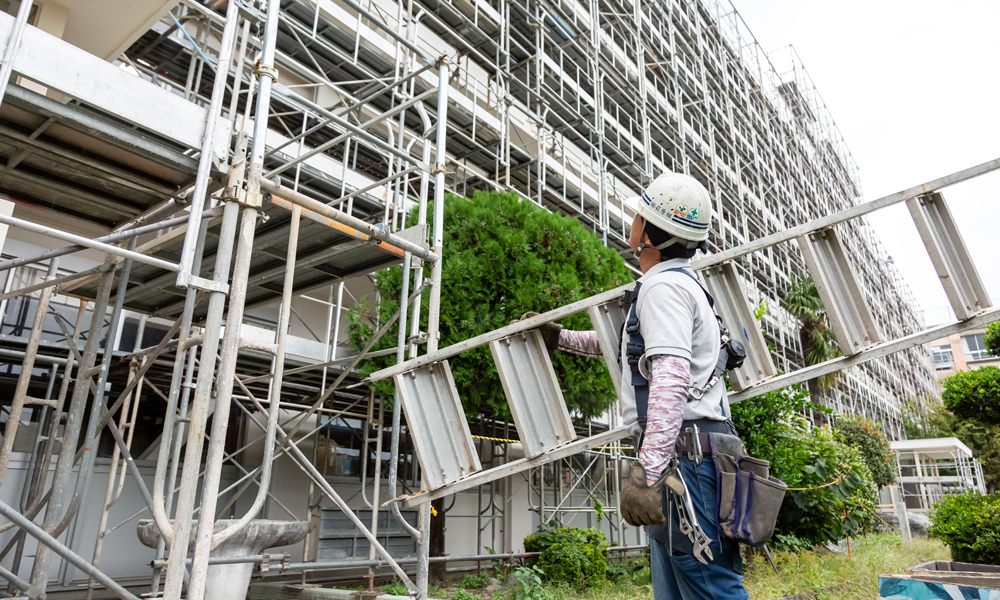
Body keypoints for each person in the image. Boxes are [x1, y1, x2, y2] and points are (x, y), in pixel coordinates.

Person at [527, 173, 750, 599]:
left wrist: (647, 473)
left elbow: (669, 378)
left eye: (638, 214)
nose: (632, 221)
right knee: (679, 587)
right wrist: (562, 339)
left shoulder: (663, 288)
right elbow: (634, 350)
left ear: (649, 233)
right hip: (686, 457)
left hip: (683, 464)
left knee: (708, 586)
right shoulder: (677, 284)